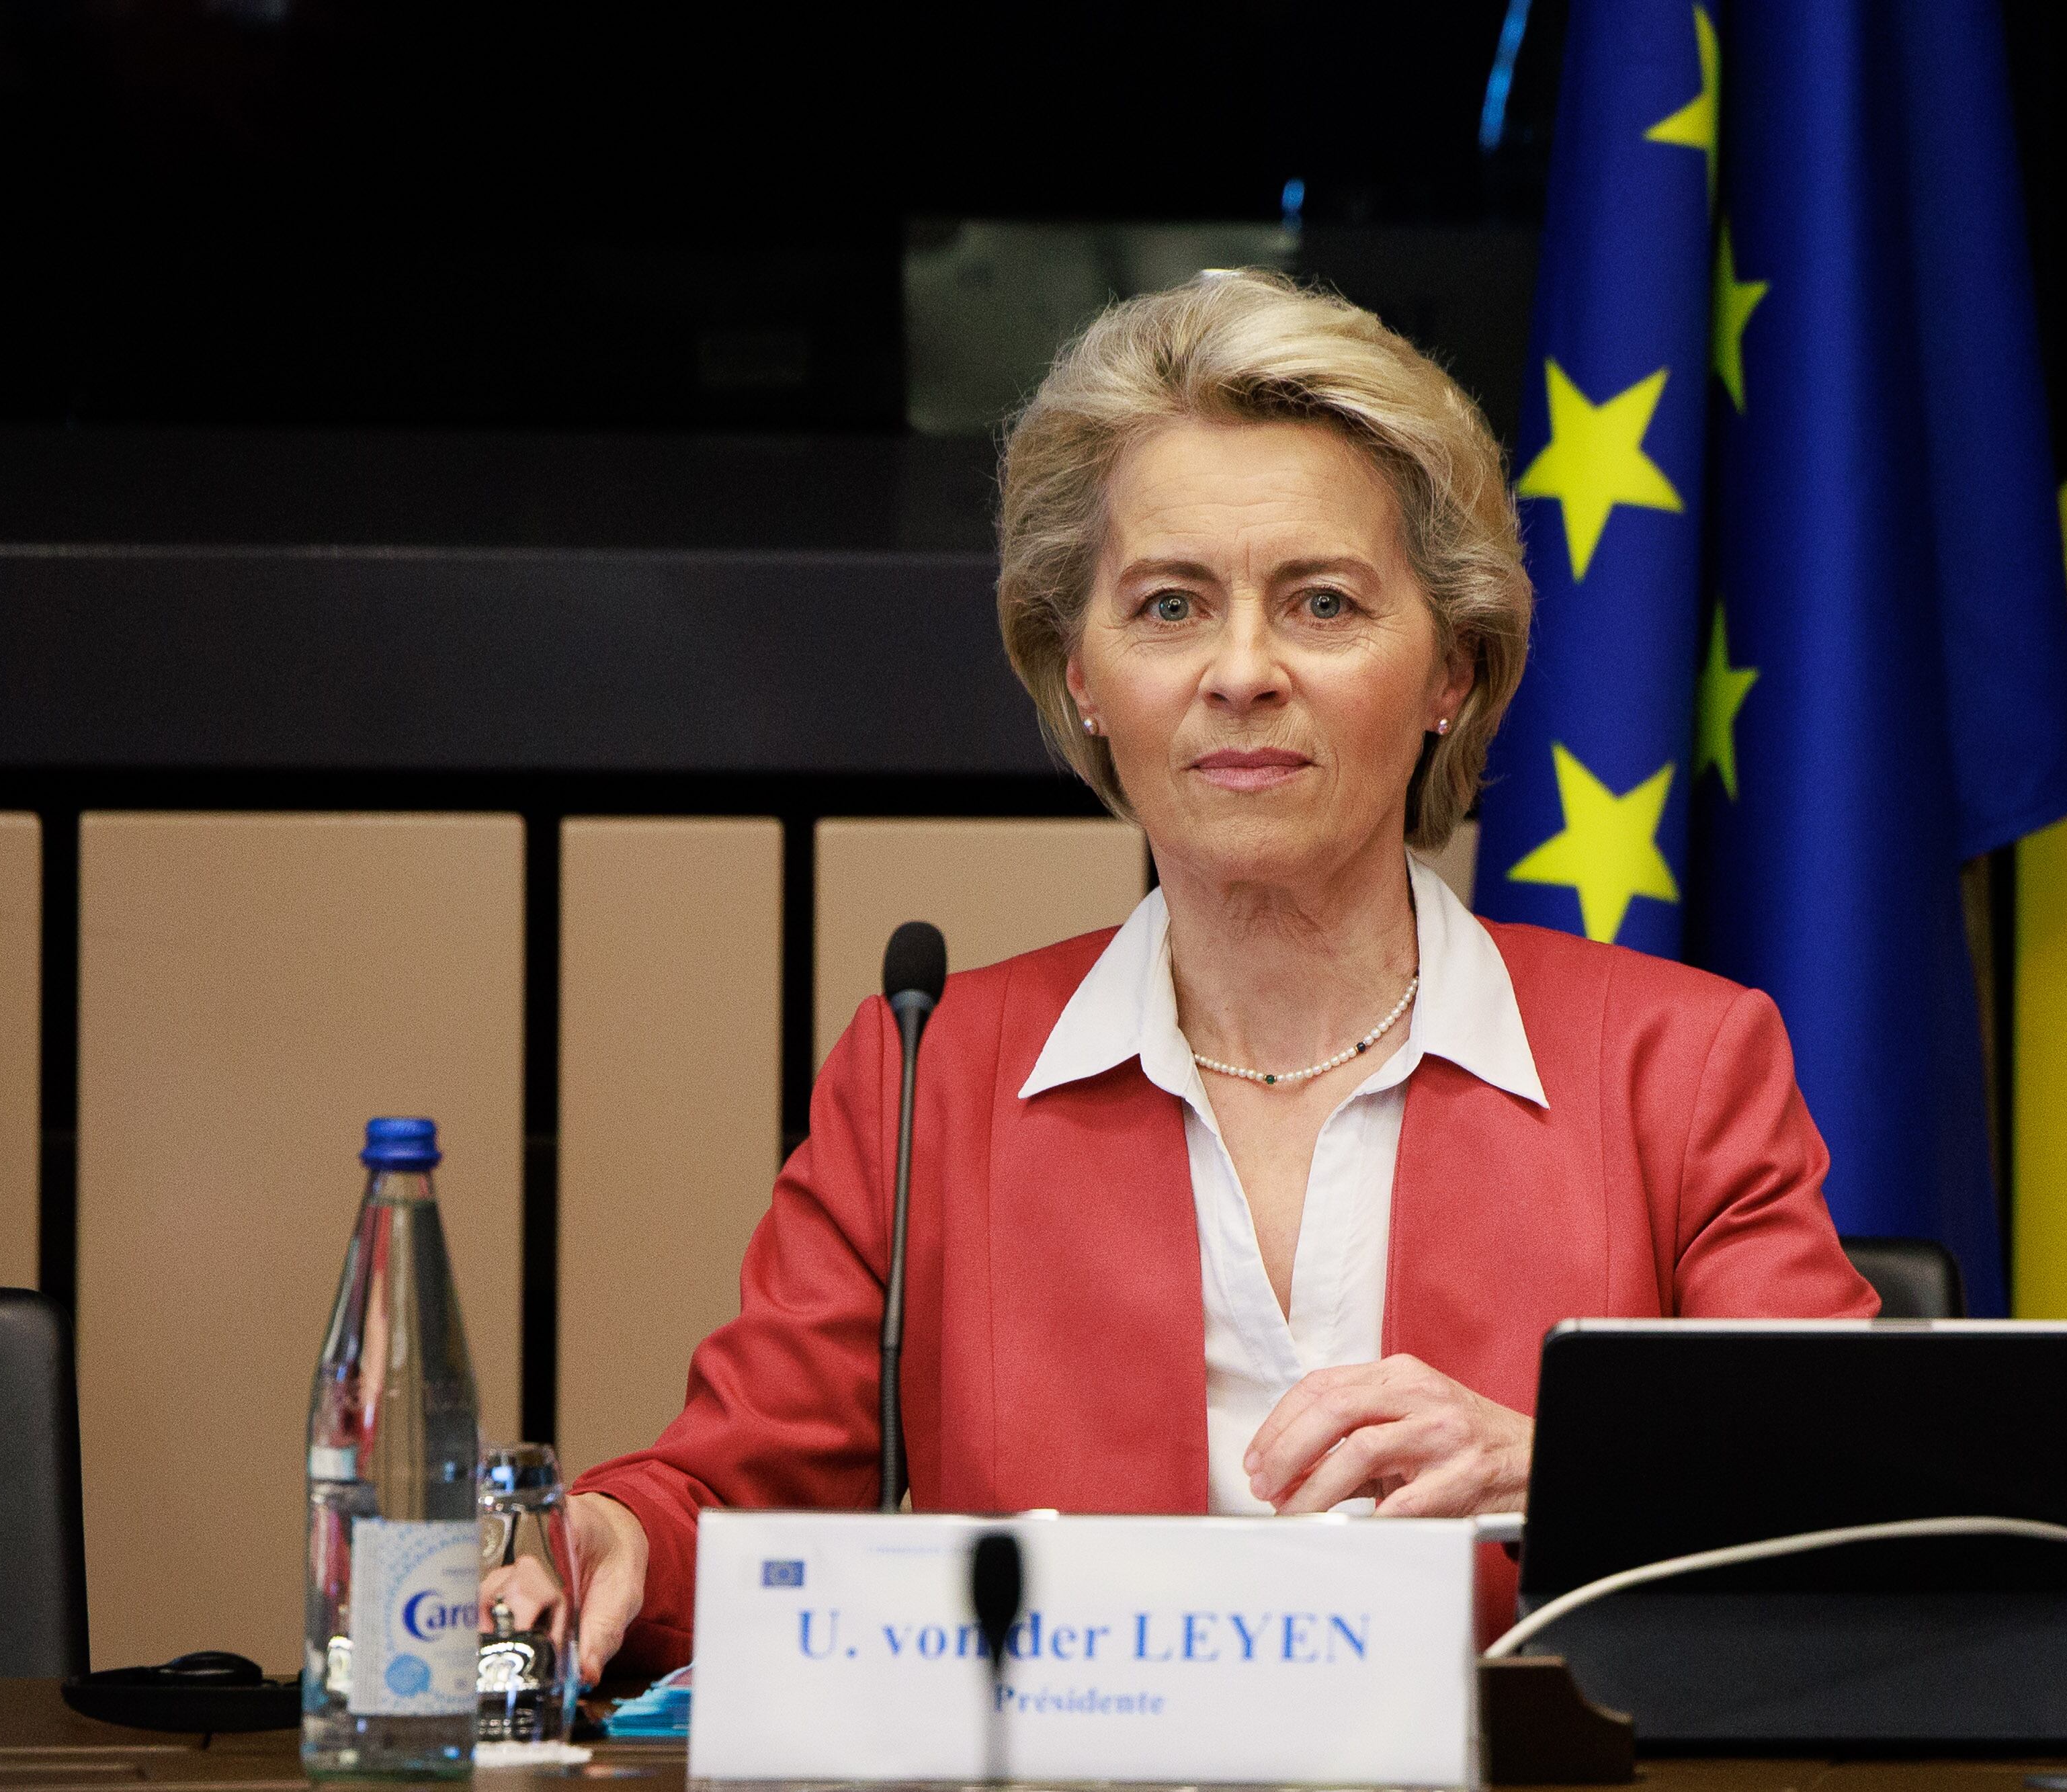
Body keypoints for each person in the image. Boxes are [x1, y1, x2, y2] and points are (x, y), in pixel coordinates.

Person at [536, 270, 1876, 1681]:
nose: (1241, 671)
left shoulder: (1670, 1065)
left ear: (1452, 674)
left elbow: (1849, 1507)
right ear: (1082, 678)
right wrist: (612, 1534)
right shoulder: (930, 1074)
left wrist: (1555, 1470)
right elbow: (723, 1502)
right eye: (1169, 607)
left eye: (1320, 603)